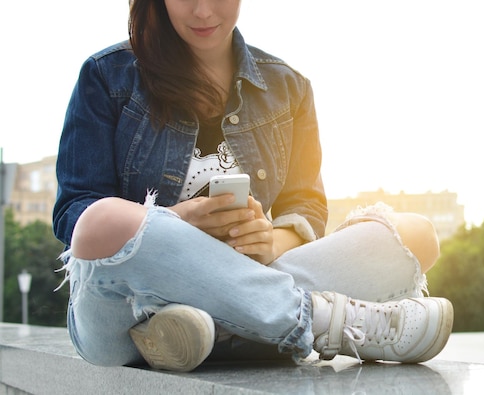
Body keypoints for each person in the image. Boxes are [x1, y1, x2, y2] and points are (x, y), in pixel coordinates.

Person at [53, 0, 454, 373]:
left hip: (251, 277)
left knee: (416, 235)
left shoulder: (288, 87)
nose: (203, 11)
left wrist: (270, 242)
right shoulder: (107, 76)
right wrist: (176, 222)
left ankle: (208, 330)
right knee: (102, 220)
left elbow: (307, 205)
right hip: (128, 308)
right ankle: (324, 322)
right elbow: (74, 211)